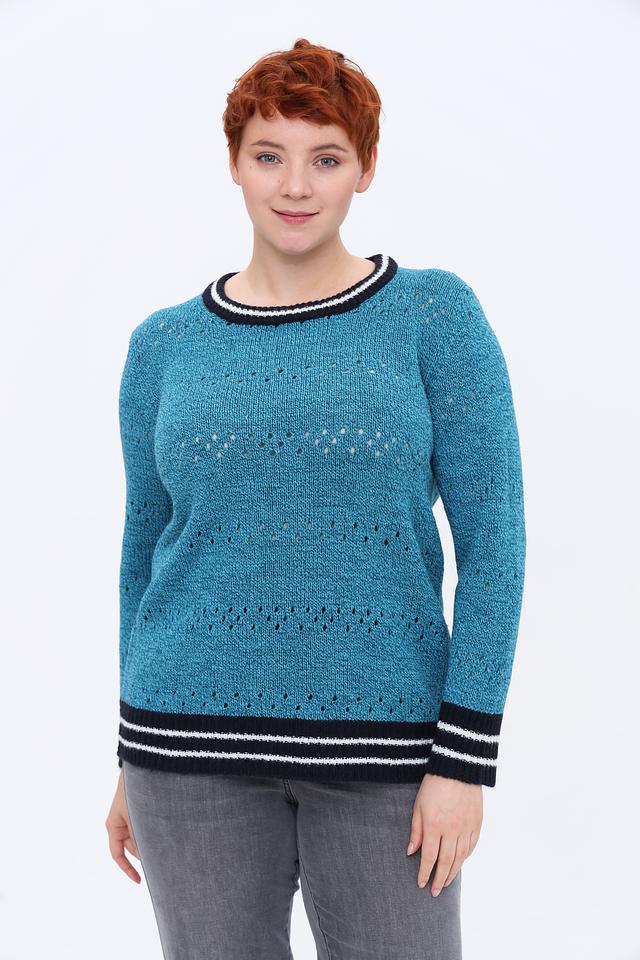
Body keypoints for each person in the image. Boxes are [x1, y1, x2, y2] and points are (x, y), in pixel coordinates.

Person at [105, 37, 526, 960]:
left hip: (388, 758)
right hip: (184, 754)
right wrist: (129, 756)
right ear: (234, 163)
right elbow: (145, 552)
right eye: (270, 155)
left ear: (366, 168)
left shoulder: (433, 317)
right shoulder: (162, 347)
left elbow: (495, 546)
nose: (295, 186)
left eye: (326, 158)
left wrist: (463, 759)